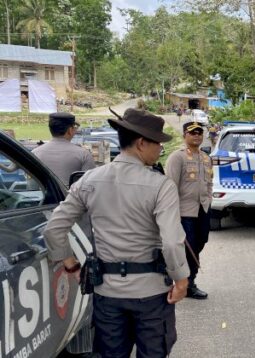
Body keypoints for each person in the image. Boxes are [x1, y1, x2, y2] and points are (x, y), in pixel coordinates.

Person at [43, 108, 190, 357]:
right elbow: (172, 242)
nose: (159, 150)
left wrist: (70, 264)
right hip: (151, 294)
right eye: (158, 144)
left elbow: (54, 228)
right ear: (142, 143)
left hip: (107, 293)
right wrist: (181, 279)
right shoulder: (160, 185)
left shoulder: (88, 181)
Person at [165, 121, 213, 300]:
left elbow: (209, 183)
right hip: (184, 212)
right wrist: (172, 214)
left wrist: (209, 200)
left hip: (202, 209)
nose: (197, 136)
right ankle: (187, 283)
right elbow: (170, 187)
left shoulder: (206, 157)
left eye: (200, 133)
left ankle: (187, 280)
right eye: (192, 133)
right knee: (188, 247)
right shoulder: (177, 157)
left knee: (200, 243)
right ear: (184, 135)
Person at [32, 112, 95, 186]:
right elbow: (90, 186)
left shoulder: (35, 153)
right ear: (70, 130)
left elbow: (32, 186)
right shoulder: (84, 154)